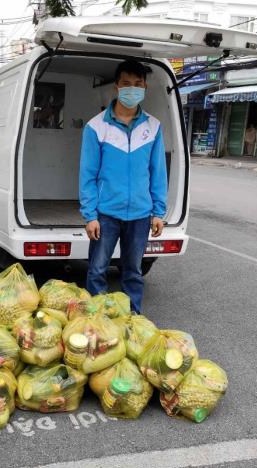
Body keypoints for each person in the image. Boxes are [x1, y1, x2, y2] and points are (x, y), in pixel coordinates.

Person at [79, 59, 167, 314]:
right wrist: (90, 215)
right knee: (96, 270)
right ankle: (97, 322)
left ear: (145, 87)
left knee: (133, 272)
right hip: (106, 214)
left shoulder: (153, 127)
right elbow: (88, 174)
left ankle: (133, 323)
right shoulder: (96, 127)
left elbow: (158, 172)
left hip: (140, 214)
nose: (132, 89)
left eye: (138, 84)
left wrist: (158, 212)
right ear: (117, 86)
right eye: (127, 84)